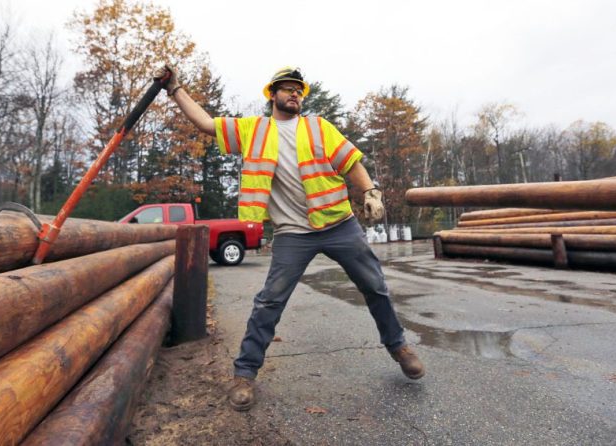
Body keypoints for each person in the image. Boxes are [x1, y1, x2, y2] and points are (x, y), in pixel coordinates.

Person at [160, 66, 425, 411]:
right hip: (292, 233)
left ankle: (399, 347)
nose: (294, 94)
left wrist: (370, 191)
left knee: (374, 286)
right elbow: (207, 125)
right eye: (287, 89)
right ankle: (244, 373)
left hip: (338, 223)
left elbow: (350, 161)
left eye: (298, 90)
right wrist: (175, 89)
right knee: (269, 301)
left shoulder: (319, 128)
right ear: (272, 95)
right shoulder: (252, 130)